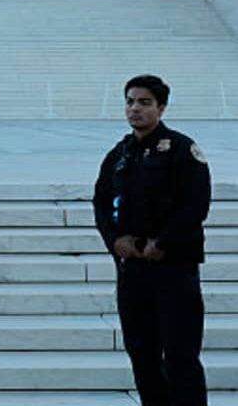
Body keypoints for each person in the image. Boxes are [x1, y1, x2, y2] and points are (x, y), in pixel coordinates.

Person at [93, 74, 210, 406]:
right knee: (142, 355)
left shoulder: (182, 150)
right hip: (133, 271)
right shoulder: (120, 153)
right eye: (130, 101)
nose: (135, 109)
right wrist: (115, 241)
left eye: (144, 102)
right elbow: (101, 201)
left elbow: (195, 206)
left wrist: (162, 243)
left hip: (173, 269)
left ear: (161, 107)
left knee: (180, 356)